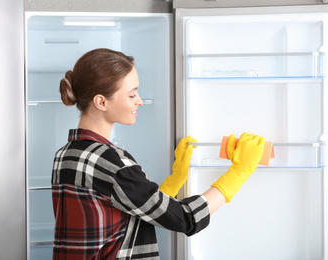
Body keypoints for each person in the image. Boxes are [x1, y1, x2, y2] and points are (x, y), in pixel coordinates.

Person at [52, 48, 265, 260]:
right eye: (132, 94)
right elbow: (186, 219)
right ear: (101, 102)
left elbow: (132, 213)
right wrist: (239, 172)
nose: (140, 101)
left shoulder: (64, 156)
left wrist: (175, 180)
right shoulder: (113, 164)